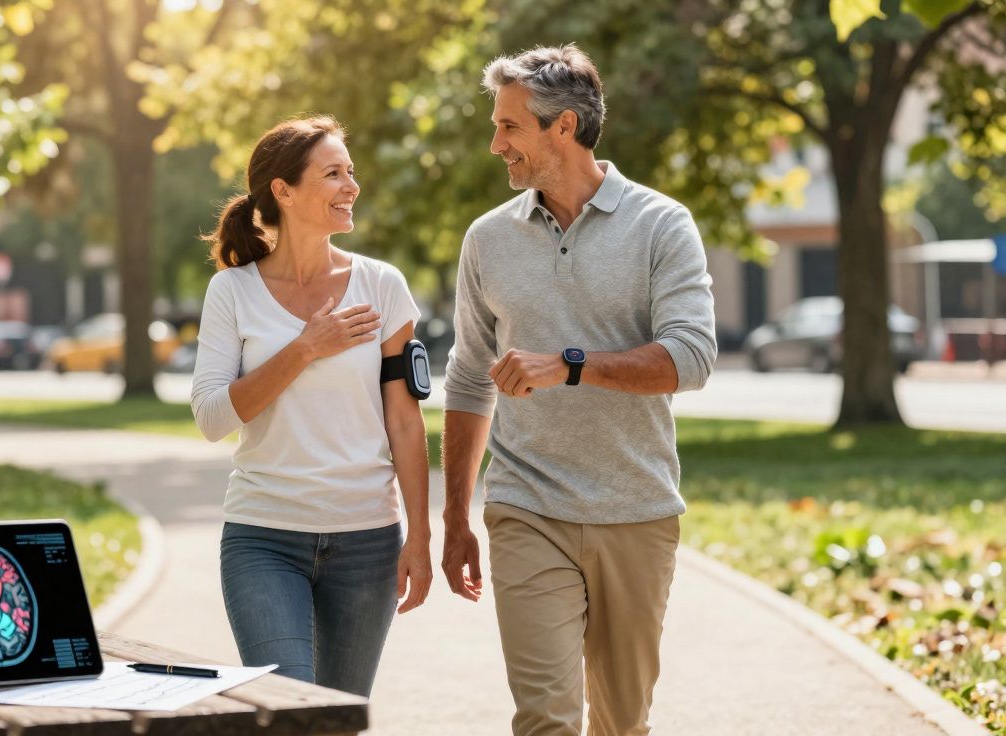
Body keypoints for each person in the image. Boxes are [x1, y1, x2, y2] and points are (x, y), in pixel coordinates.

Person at [440, 45, 717, 735]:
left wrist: (568, 365)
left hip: (637, 507)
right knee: (546, 719)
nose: (495, 142)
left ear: (562, 127)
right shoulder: (487, 241)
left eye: (509, 127)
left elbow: (692, 356)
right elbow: (470, 378)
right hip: (527, 503)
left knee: (623, 722)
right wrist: (454, 519)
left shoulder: (662, 225)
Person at [190, 116, 432, 697]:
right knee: (292, 714)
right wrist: (304, 349)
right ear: (284, 191)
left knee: (338, 719)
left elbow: (404, 418)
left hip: (368, 539)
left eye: (351, 172)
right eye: (333, 174)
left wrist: (420, 536)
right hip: (264, 537)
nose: (351, 186)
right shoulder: (233, 291)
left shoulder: (382, 286)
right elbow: (211, 418)